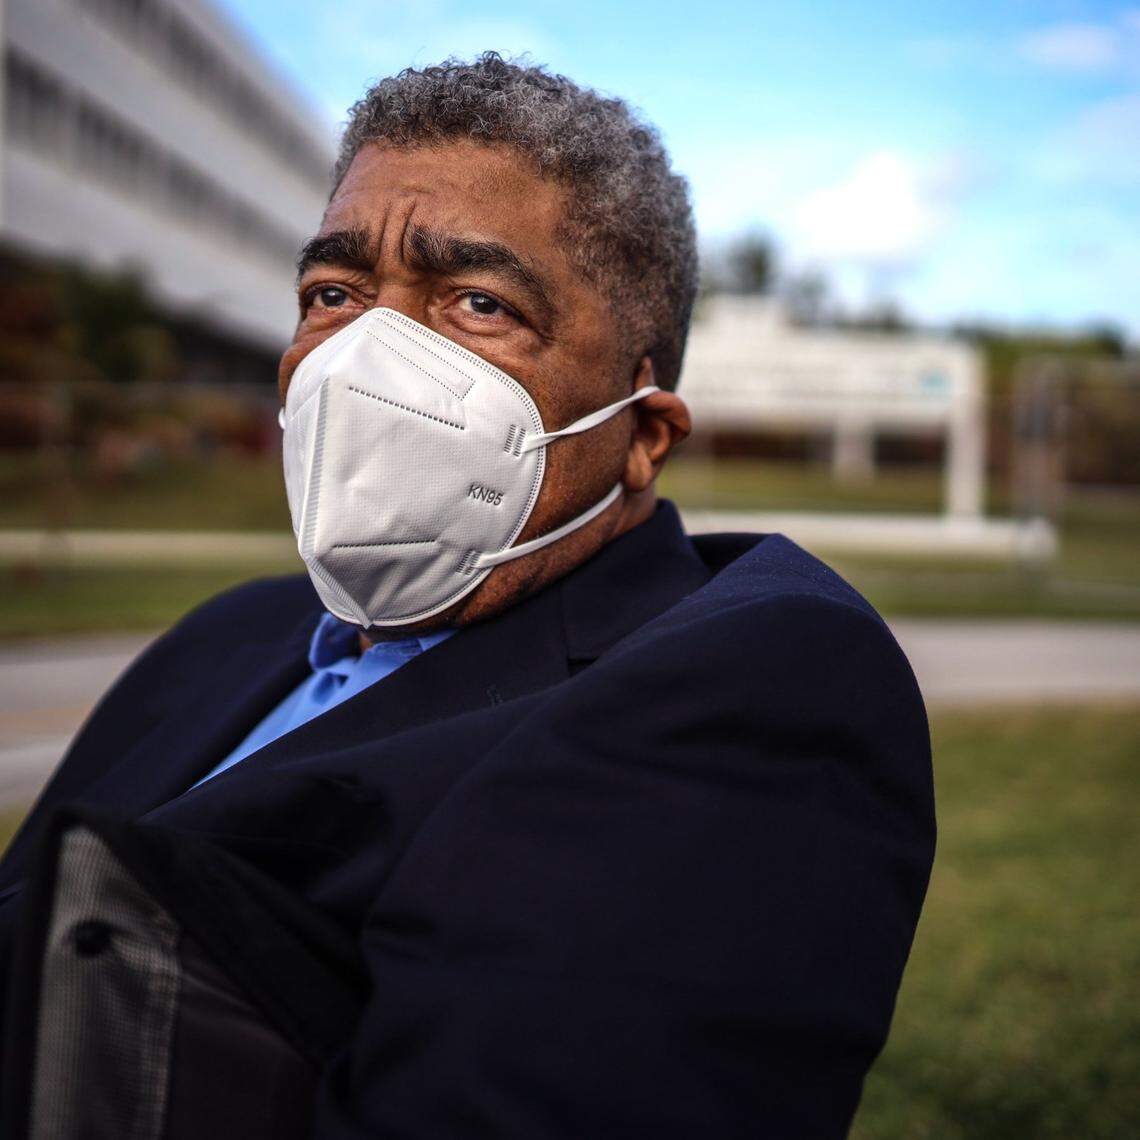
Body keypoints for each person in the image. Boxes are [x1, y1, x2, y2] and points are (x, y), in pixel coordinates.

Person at [0, 54, 934, 1138]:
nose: (364, 359)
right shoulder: (232, 633)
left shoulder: (751, 690)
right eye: (333, 294)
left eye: (479, 303)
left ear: (643, 436)